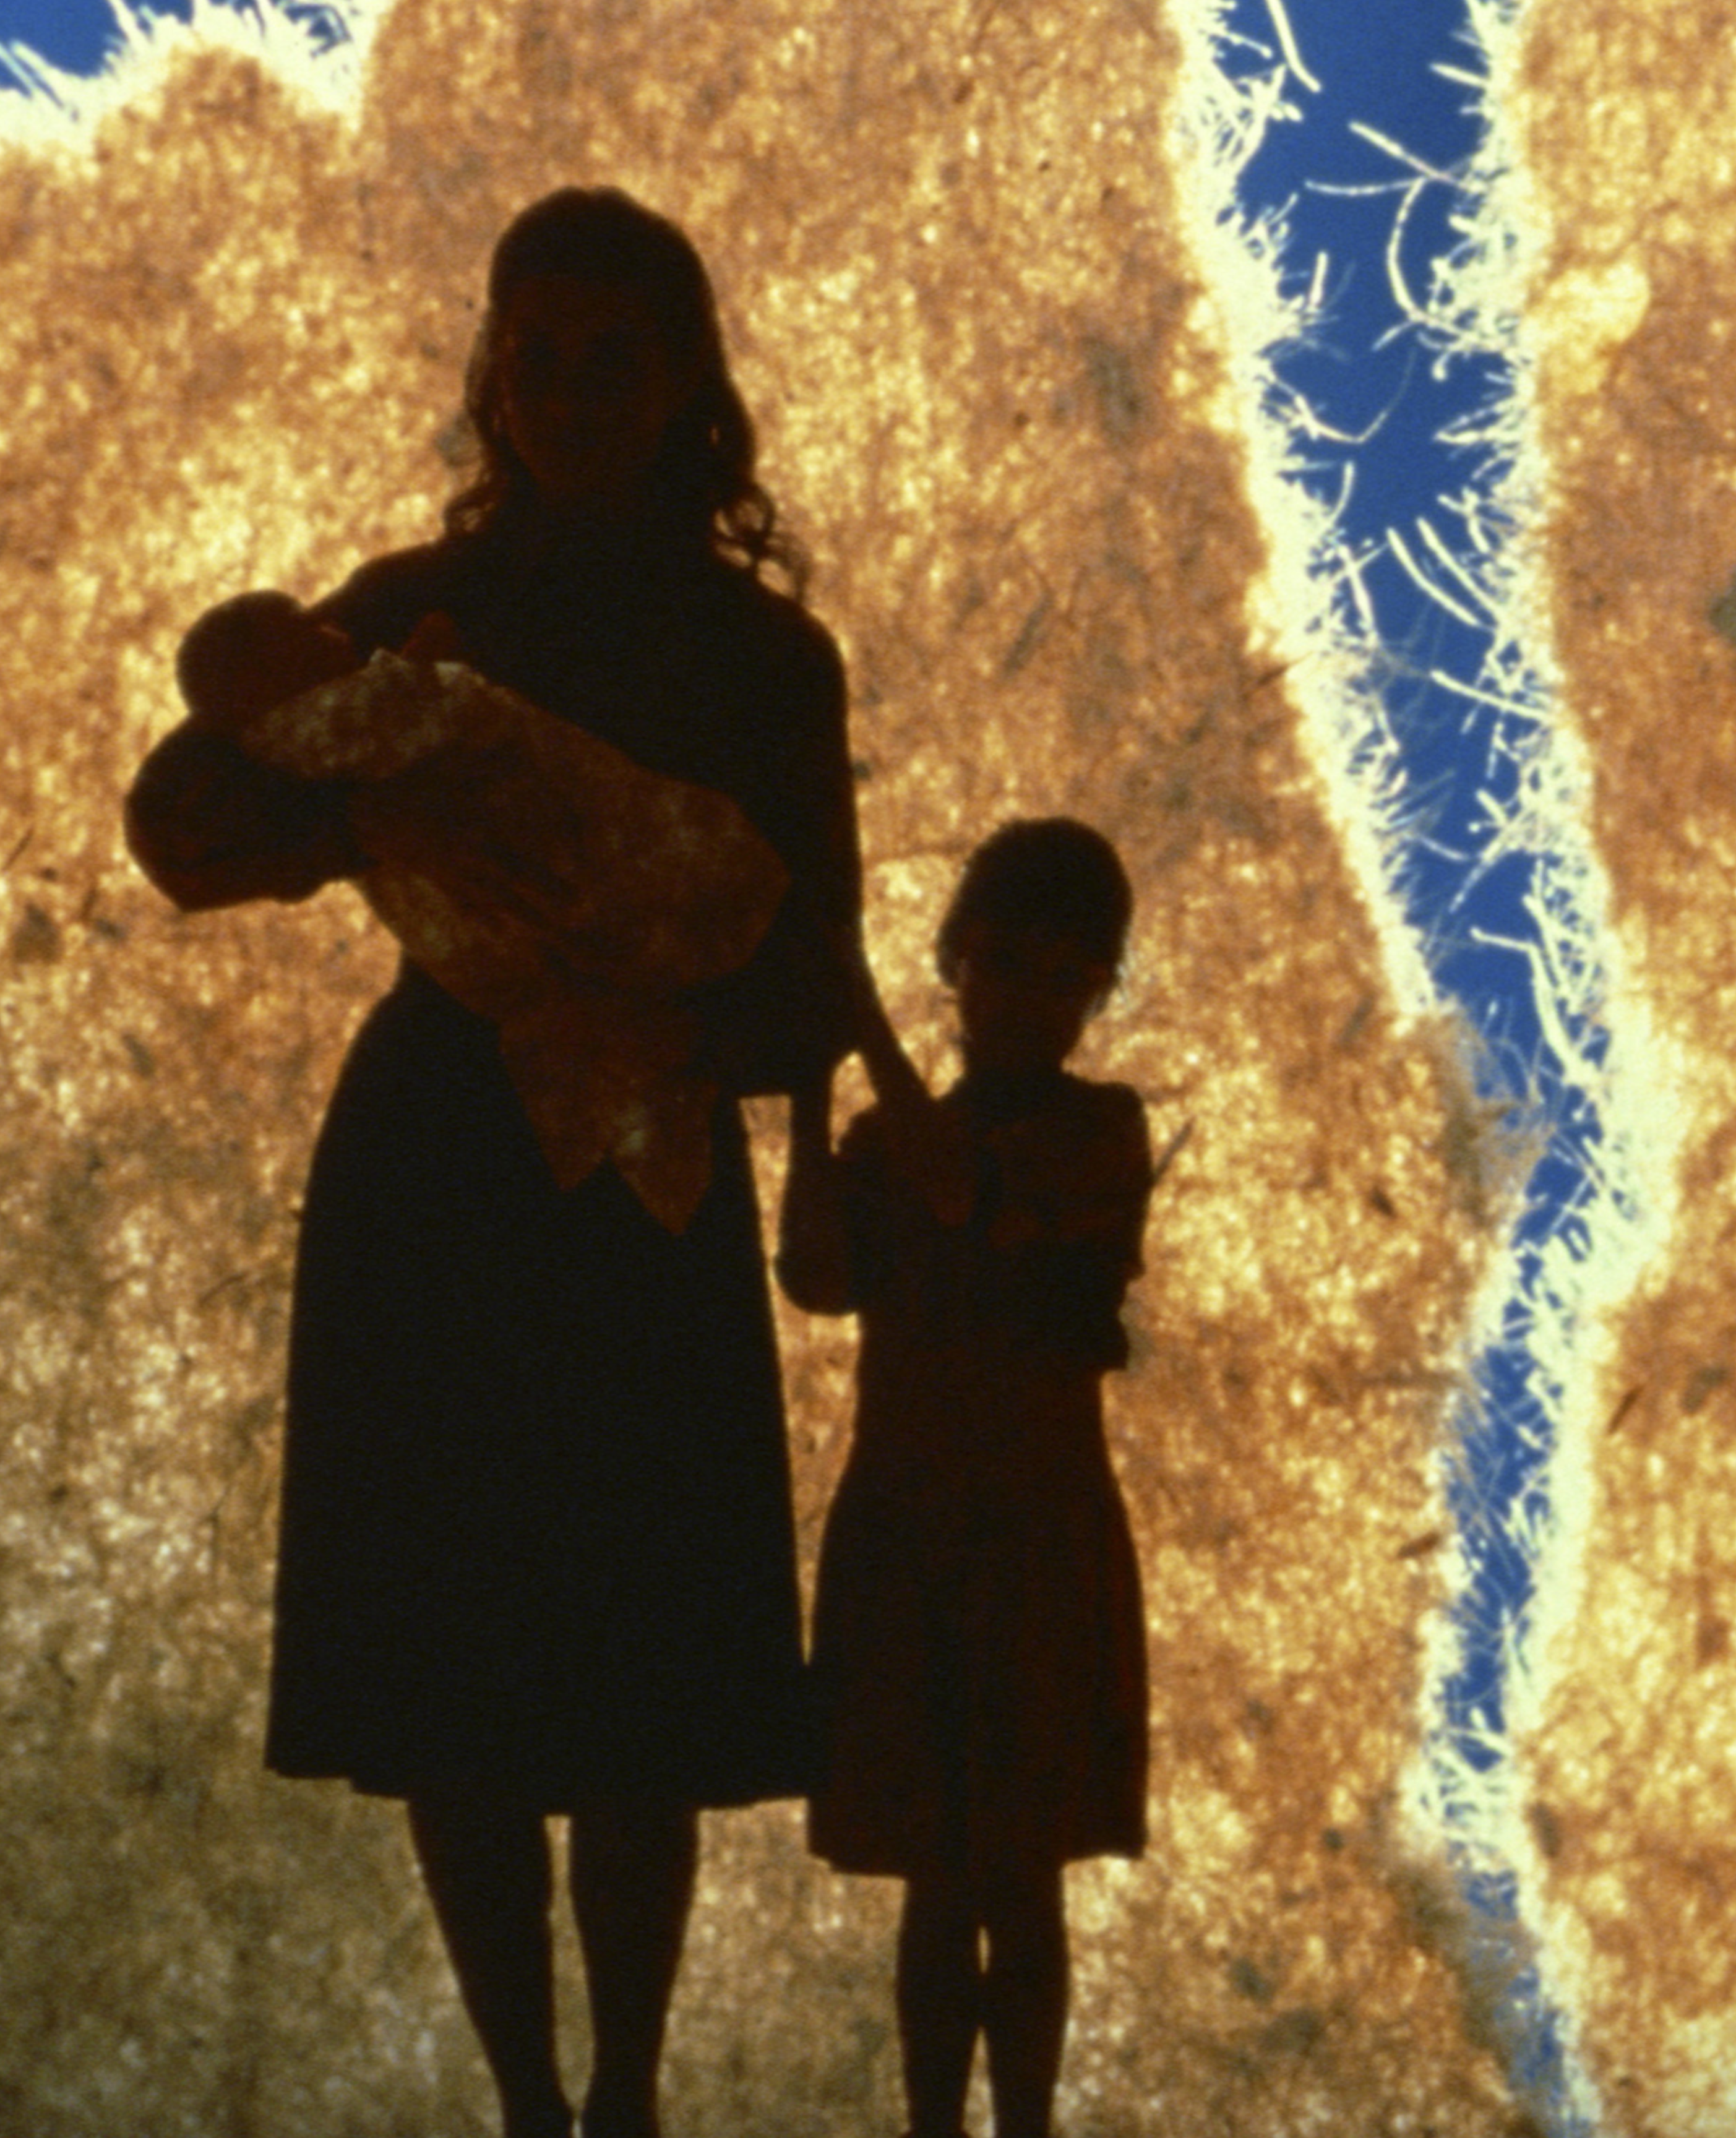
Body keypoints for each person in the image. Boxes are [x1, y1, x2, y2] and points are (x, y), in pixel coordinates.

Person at [127, 189, 885, 2138]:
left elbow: (820, 982)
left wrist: (659, 1030)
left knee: (636, 1697)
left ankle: (622, 2101)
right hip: (441, 1166)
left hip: (637, 1171)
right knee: (447, 1685)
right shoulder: (402, 604)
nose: (561, 391)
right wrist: (296, 770)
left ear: (686, 385)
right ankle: (532, 2112)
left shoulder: (763, 660)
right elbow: (191, 833)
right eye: (530, 354)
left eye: (606, 357)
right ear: (490, 372)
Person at [779, 820, 1154, 2138]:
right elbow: (817, 1274)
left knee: (1020, 1884)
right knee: (941, 1886)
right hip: (909, 1533)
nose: (1023, 1002)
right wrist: (813, 1086)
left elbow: (956, 1192)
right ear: (957, 964)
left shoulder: (1103, 1129)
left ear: (1096, 993)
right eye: (1001, 965)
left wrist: (856, 1027)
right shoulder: (892, 1139)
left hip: (1034, 1547)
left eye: (1061, 977)